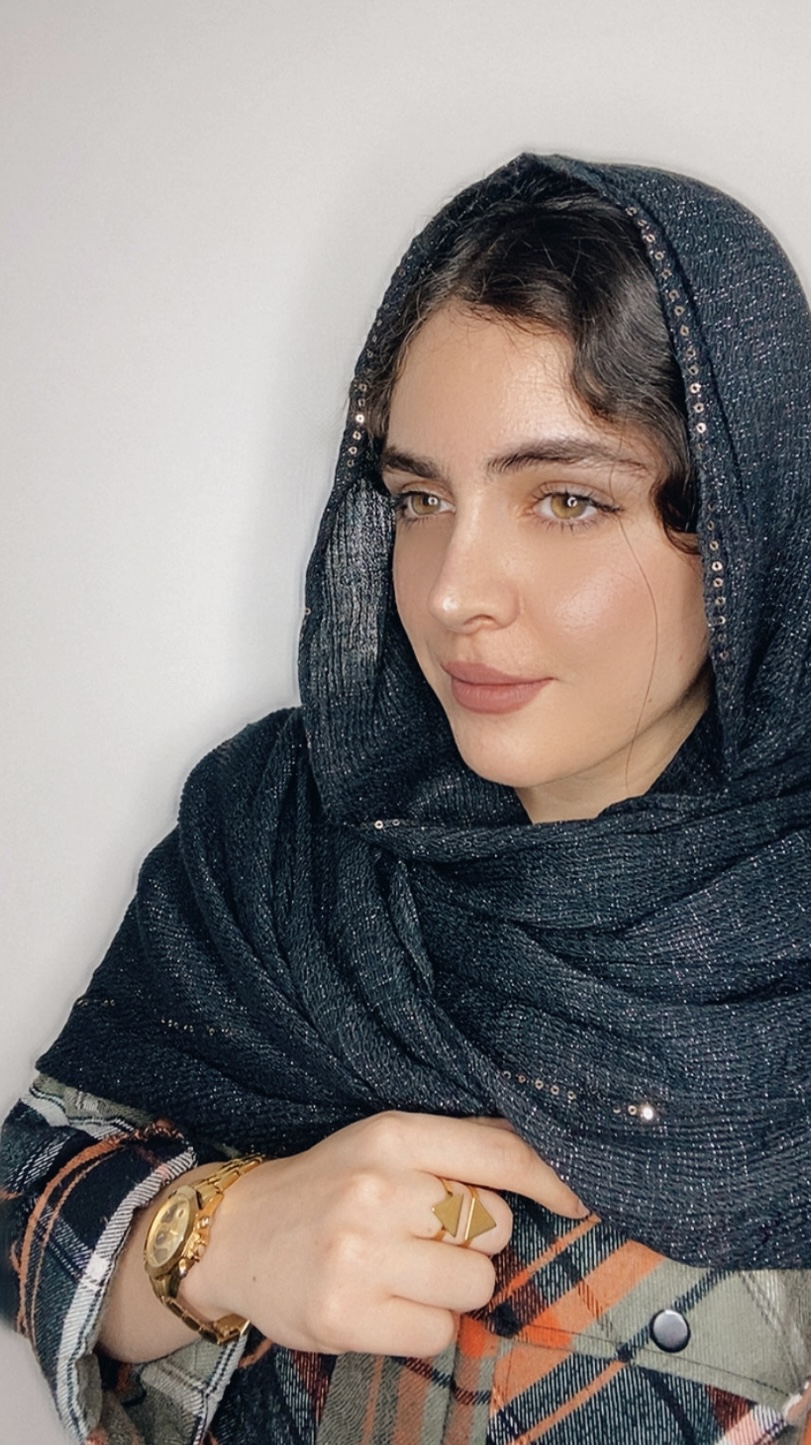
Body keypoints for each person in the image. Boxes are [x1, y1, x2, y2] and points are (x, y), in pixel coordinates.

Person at [2, 152, 811, 1445]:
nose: (449, 591)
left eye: (565, 499)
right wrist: (210, 1239)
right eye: (420, 496)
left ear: (746, 527)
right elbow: (29, 1188)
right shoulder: (281, 825)